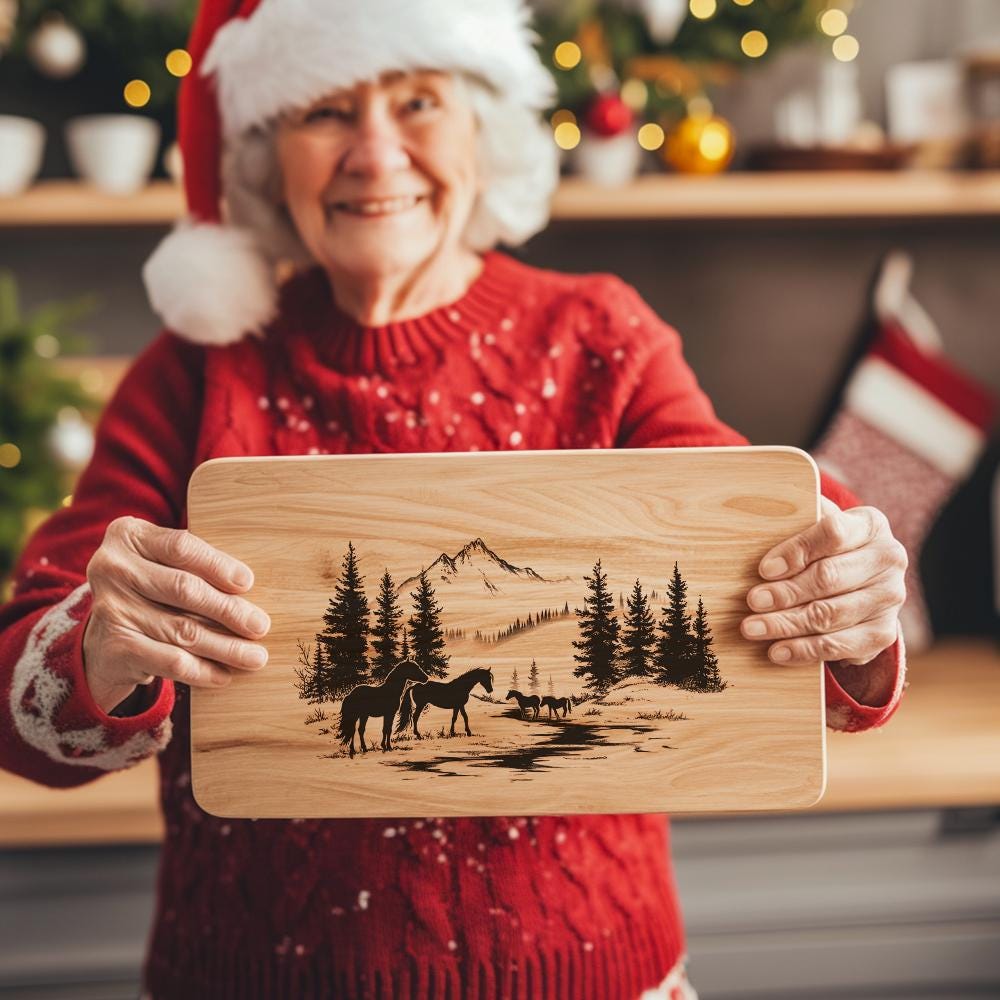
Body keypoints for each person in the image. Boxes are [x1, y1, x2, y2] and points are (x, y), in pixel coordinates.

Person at [0, 0, 908, 996]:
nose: (375, 153)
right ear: (265, 153)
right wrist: (97, 641)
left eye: (419, 99)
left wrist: (846, 592)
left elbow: (753, 521)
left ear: (484, 126)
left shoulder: (598, 333)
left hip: (597, 979)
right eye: (323, 110)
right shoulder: (192, 376)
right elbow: (21, 713)